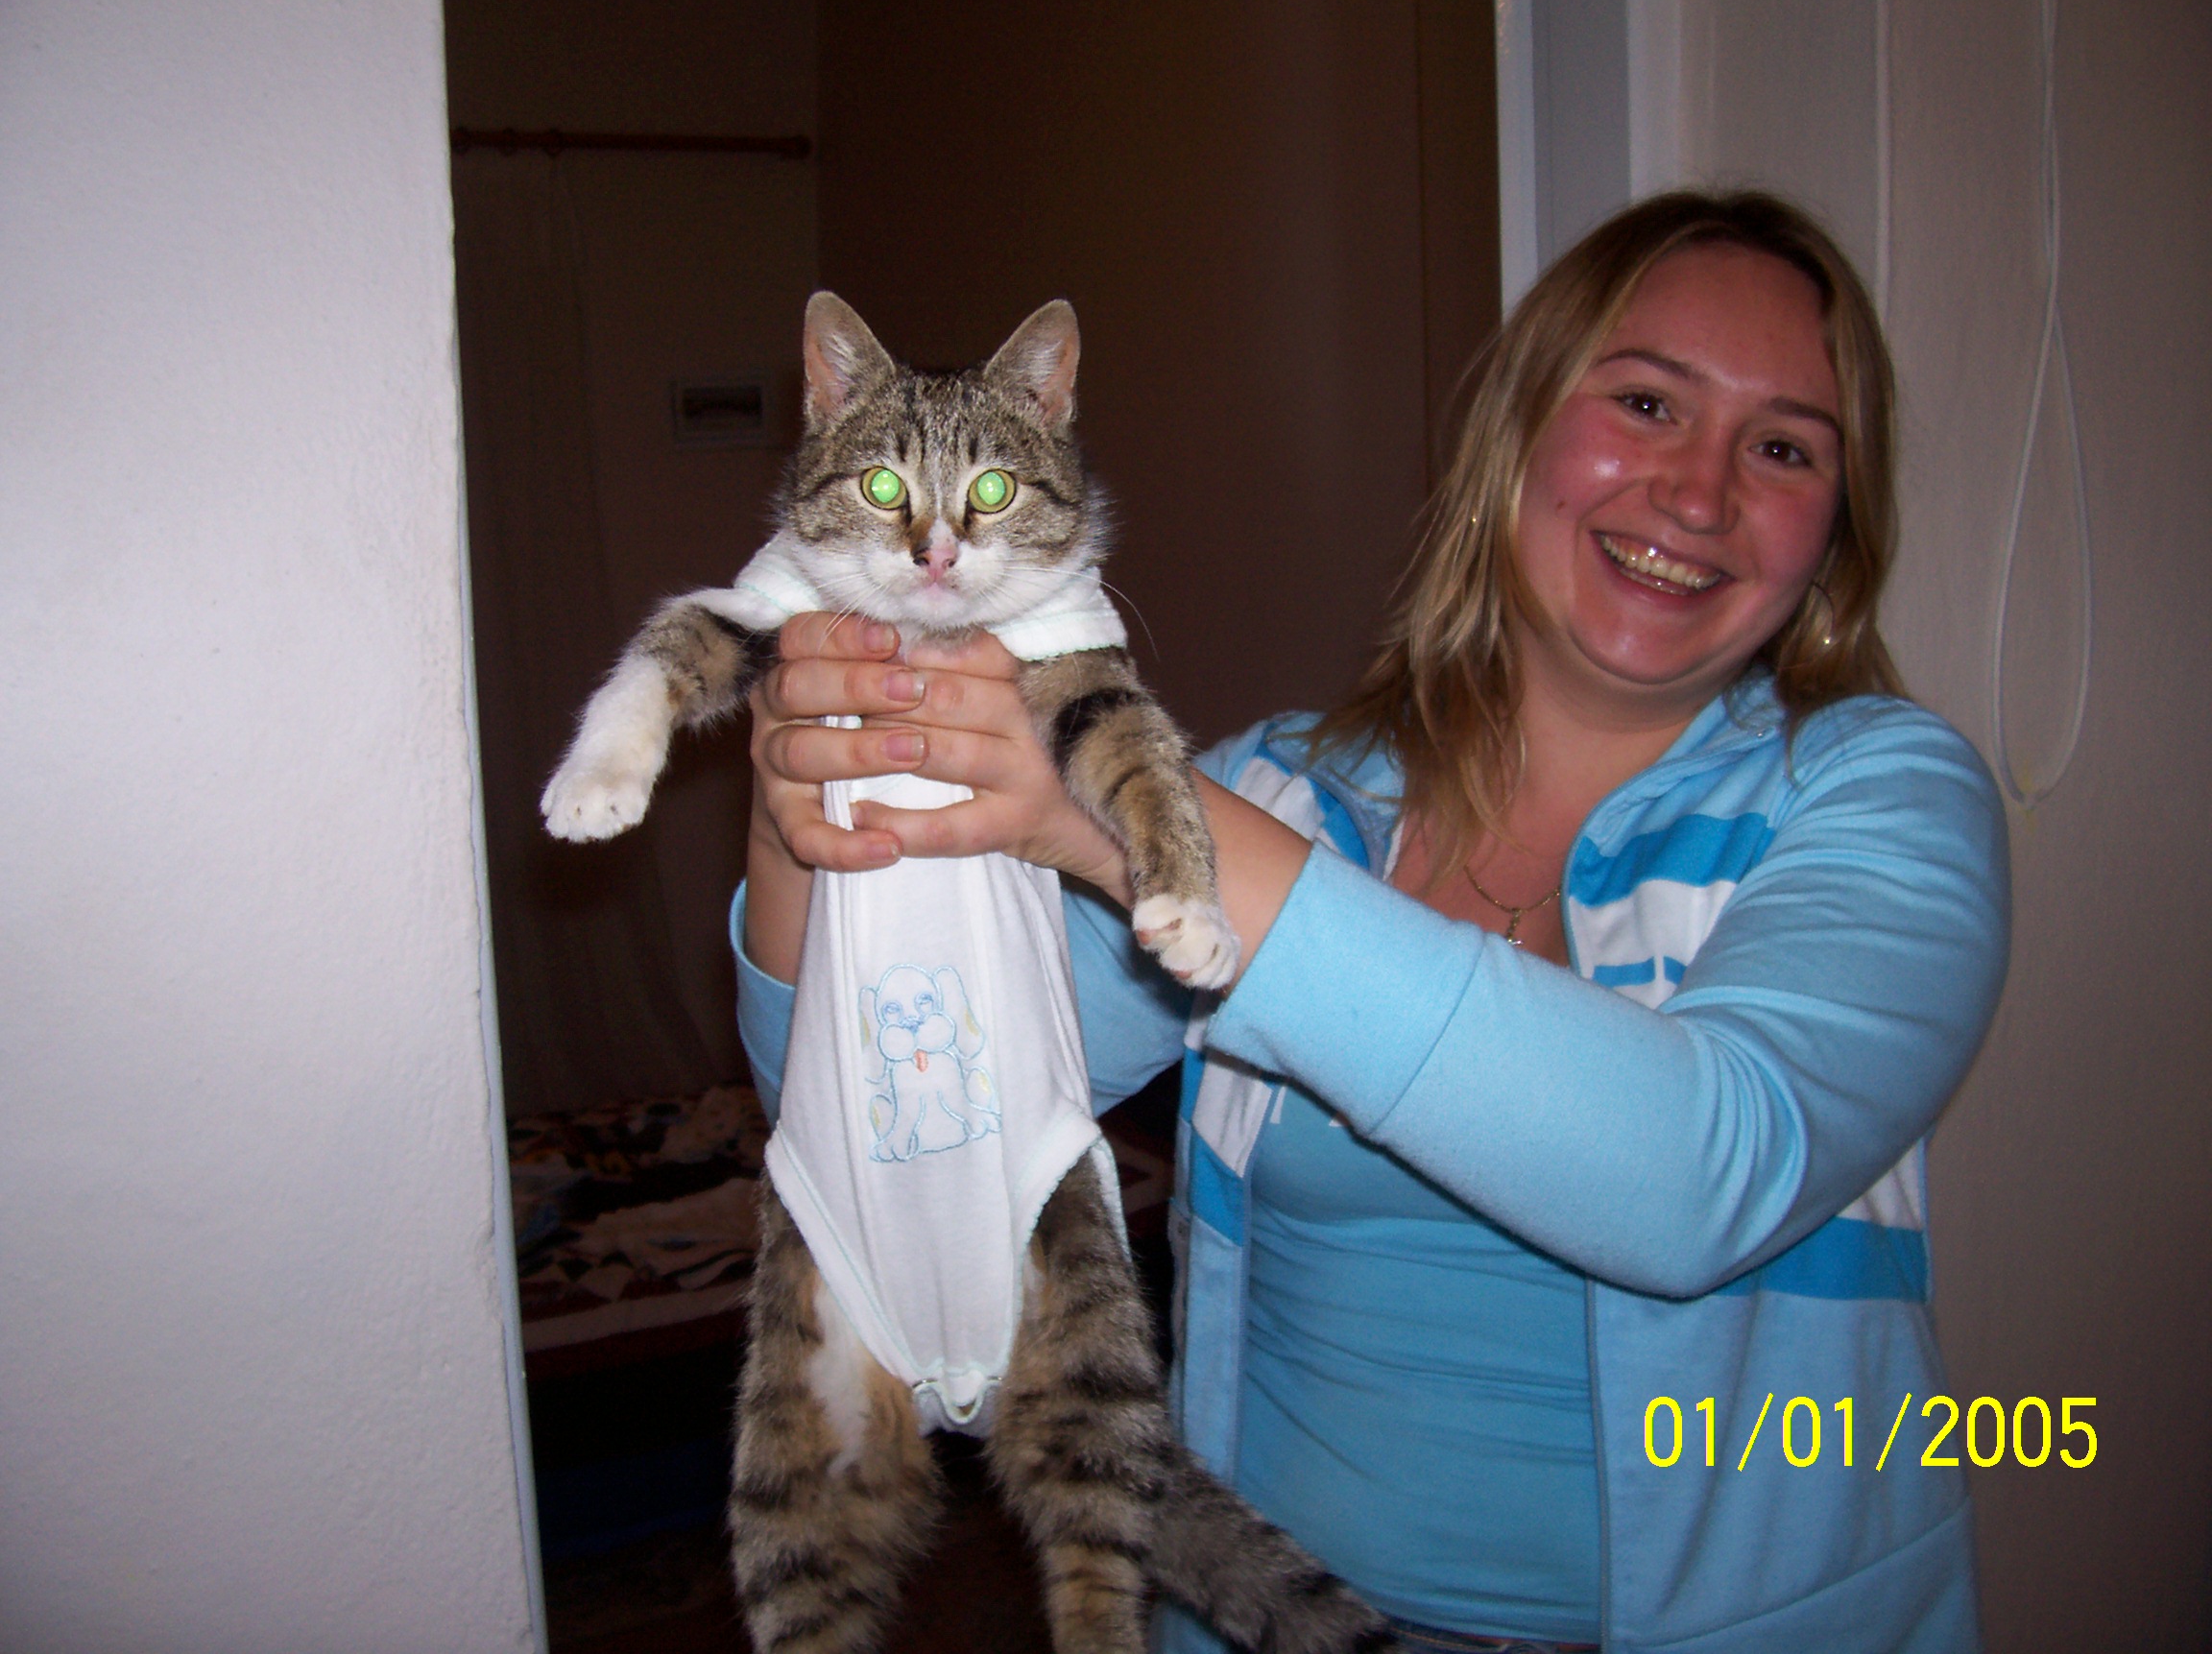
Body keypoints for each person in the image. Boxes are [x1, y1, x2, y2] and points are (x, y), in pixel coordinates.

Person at [733, 191, 2010, 1654]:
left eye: (1783, 447)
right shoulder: (1287, 794)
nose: (1699, 492)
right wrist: (801, 808)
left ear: (1837, 523)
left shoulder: (1887, 797)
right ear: (1517, 434)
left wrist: (1123, 826)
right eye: (1648, 403)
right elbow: (881, 1123)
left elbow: (1700, 1176)